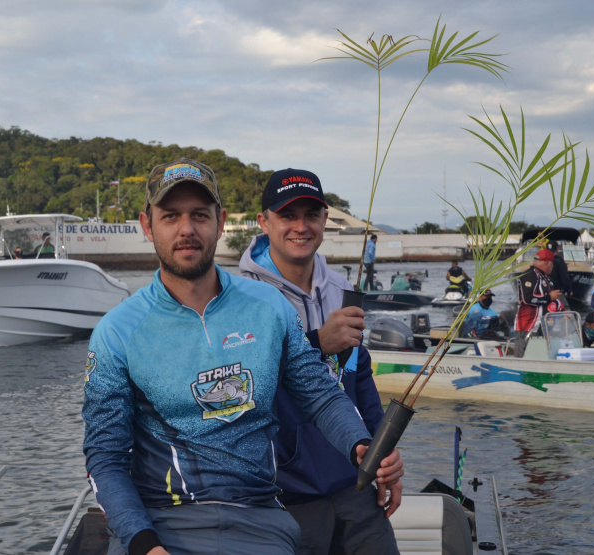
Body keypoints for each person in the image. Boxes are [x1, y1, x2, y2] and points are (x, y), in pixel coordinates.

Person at [83, 159, 398, 555]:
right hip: (161, 523)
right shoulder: (116, 332)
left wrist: (361, 444)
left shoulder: (269, 306)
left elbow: (320, 394)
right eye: (170, 216)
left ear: (220, 221)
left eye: (200, 215)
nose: (187, 229)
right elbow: (105, 457)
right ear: (148, 226)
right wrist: (144, 543)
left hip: (260, 523)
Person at [239, 167, 402, 554]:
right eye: (287, 215)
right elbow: (241, 386)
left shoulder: (343, 289)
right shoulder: (240, 296)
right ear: (263, 221)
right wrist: (317, 343)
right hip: (284, 495)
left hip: (354, 484)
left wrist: (381, 455)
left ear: (325, 219)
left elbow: (358, 376)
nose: (301, 226)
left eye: (311, 214)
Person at [513, 249, 562, 358]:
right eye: (552, 264)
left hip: (543, 325)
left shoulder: (546, 278)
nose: (553, 267)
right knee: (523, 357)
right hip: (527, 325)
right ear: (547, 263)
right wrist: (548, 297)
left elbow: (554, 297)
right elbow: (527, 299)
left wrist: (564, 310)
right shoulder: (530, 275)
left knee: (540, 355)